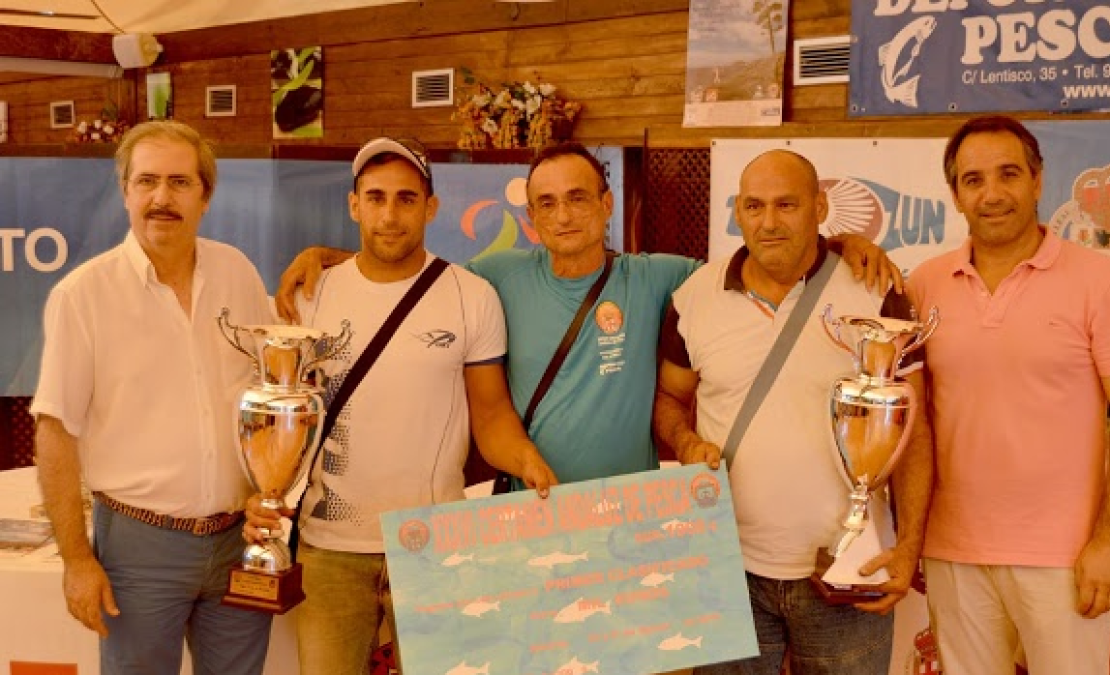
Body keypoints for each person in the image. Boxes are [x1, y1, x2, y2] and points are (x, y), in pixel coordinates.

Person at [275, 142, 902, 489]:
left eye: (579, 198)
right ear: (532, 218)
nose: (564, 214)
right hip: (526, 509)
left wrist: (842, 247)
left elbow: (765, 258)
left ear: (606, 204)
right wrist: (327, 256)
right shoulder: (493, 278)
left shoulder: (664, 277)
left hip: (628, 517)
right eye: (547, 203)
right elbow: (406, 268)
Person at [244, 137, 557, 675]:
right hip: (330, 549)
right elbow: (283, 421)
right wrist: (264, 495)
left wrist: (524, 458)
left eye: (406, 199)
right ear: (354, 204)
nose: (390, 215)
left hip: (435, 547)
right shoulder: (309, 295)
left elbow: (491, 414)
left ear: (431, 208)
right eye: (376, 197)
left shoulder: (470, 295)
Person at [654, 148, 933, 674]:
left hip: (844, 572)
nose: (769, 222)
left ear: (820, 207)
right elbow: (669, 398)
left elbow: (915, 430)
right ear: (737, 213)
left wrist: (908, 546)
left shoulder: (877, 293)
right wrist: (687, 442)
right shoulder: (695, 296)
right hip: (725, 568)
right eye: (754, 206)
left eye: (787, 205)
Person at [907, 115, 1110, 674]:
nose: (992, 194)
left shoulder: (1100, 281)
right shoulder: (923, 285)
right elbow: (912, 421)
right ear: (955, 195)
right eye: (973, 180)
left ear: (1038, 180)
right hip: (954, 550)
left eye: (1009, 174)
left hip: (1065, 558)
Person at [30, 120, 275, 674]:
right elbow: (55, 432)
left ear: (205, 195)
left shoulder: (238, 273)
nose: (162, 198)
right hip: (139, 553)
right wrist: (76, 560)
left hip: (241, 540)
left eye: (179, 182)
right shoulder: (83, 296)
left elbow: (270, 398)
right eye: (146, 182)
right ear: (125, 191)